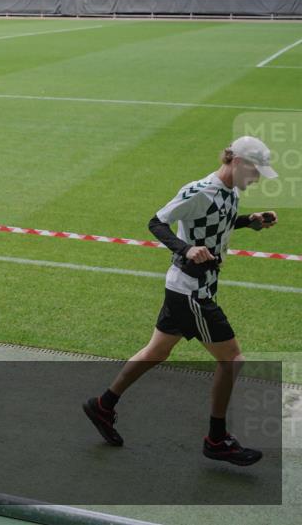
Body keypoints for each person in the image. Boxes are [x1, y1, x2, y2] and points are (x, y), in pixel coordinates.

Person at [83, 136, 279, 466]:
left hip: (191, 288)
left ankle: (103, 405)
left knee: (156, 351)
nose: (257, 178)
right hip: (192, 292)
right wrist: (185, 248)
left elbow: (217, 221)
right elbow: (157, 221)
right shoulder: (199, 190)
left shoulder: (230, 191)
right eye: (255, 171)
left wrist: (250, 221)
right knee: (232, 360)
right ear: (237, 162)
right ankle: (216, 439)